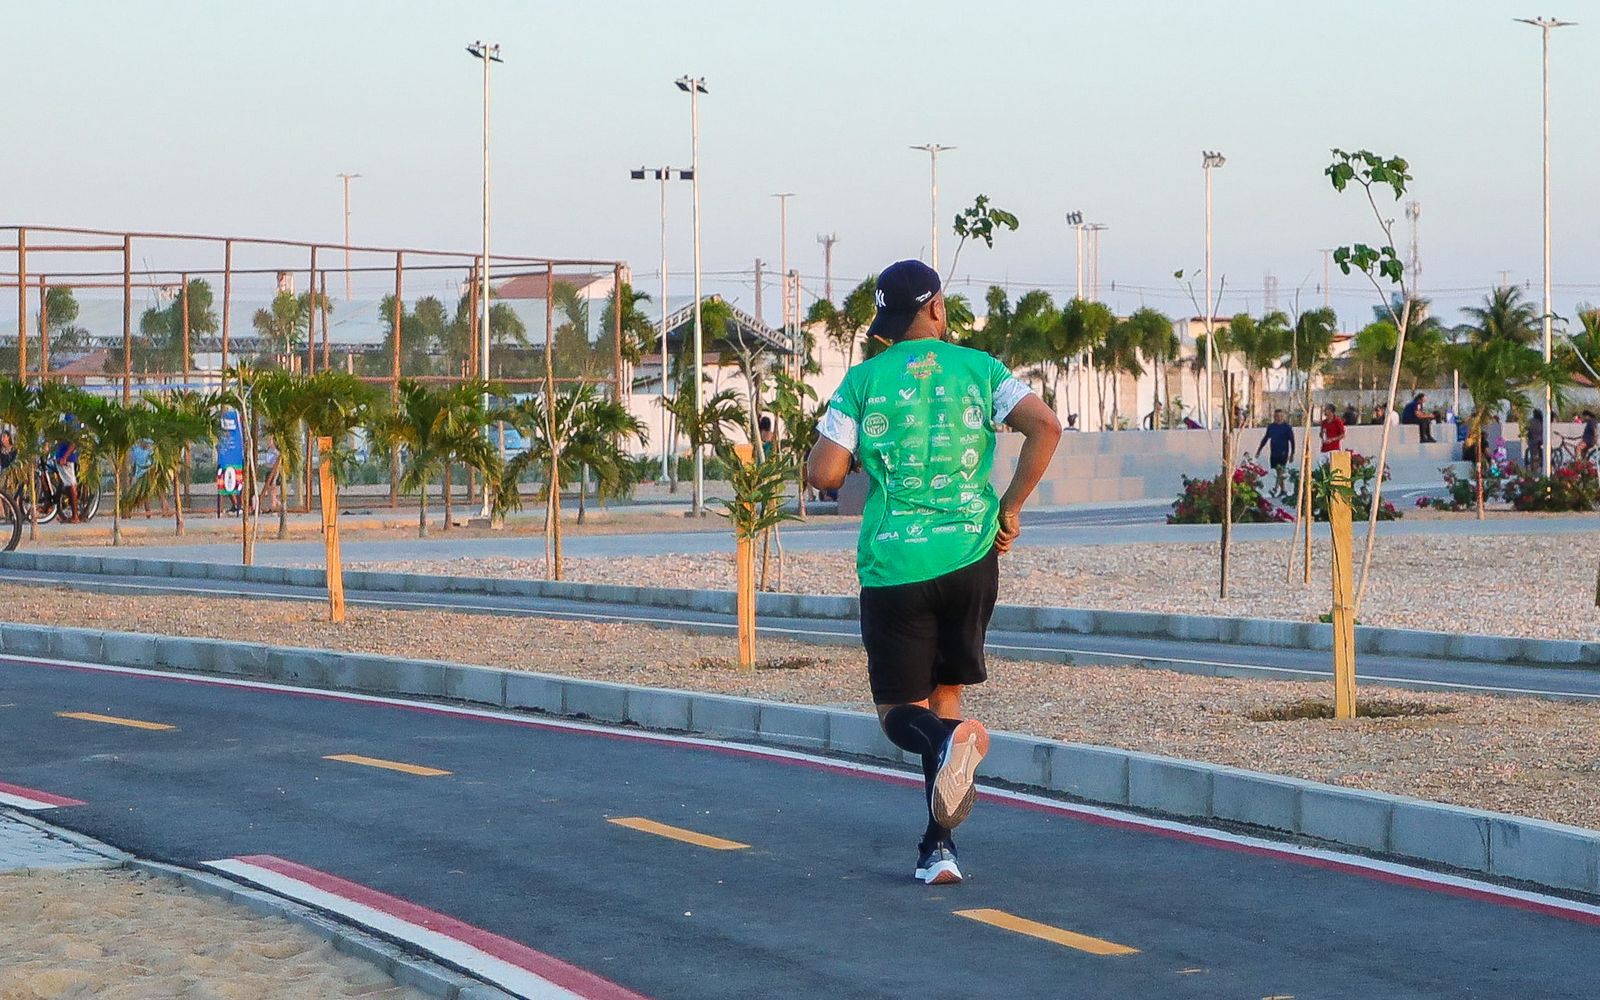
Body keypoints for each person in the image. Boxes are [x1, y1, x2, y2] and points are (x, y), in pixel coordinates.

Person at [806, 259, 1061, 886]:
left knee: (900, 714)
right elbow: (1045, 426)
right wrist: (1011, 506)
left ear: (891, 319)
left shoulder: (862, 381)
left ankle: (945, 763)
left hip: (897, 563)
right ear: (939, 308)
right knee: (947, 701)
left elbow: (824, 475)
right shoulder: (981, 369)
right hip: (972, 557)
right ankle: (937, 850)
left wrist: (866, 454)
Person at [1255, 409, 1295, 497]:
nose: (1279, 418)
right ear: (1274, 417)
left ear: (1283, 417)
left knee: (1280, 470)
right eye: (1277, 416)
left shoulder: (1287, 427)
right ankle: (1283, 490)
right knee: (1278, 471)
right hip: (1274, 452)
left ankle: (1275, 489)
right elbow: (1265, 439)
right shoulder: (1271, 427)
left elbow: (1292, 441)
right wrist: (1259, 450)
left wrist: (1292, 453)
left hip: (1283, 452)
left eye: (1281, 416)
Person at [53, 420, 80, 523]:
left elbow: (74, 441)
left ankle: (75, 516)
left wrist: (65, 457)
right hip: (60, 456)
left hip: (66, 458)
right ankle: (64, 513)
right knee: (64, 484)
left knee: (71, 483)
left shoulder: (71, 418)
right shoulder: (62, 417)